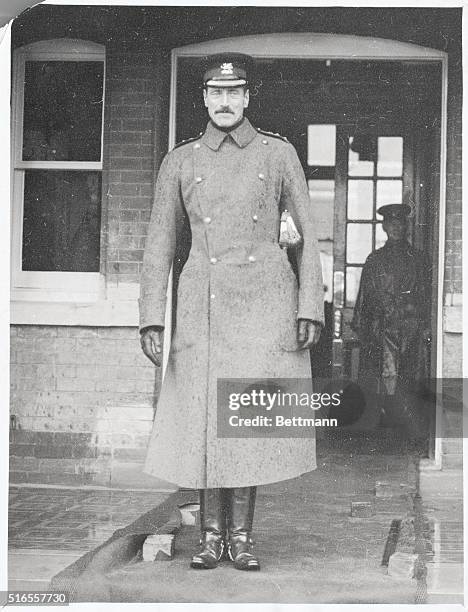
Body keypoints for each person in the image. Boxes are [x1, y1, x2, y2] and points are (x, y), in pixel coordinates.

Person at [139, 53, 324, 571]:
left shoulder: (278, 154)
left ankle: (241, 539)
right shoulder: (182, 160)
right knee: (203, 416)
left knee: (248, 418)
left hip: (264, 303)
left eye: (234, 93)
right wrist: (153, 316)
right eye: (215, 94)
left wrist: (309, 304)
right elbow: (158, 245)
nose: (224, 102)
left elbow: (308, 235)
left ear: (248, 98)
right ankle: (209, 538)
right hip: (203, 304)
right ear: (204, 98)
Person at [351, 203, 431, 431]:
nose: (396, 227)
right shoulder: (374, 260)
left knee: (408, 382)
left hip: (410, 332)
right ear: (384, 227)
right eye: (391, 223)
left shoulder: (419, 259)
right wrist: (365, 330)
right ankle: (379, 433)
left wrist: (423, 327)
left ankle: (407, 432)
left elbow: (426, 298)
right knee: (380, 384)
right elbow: (364, 300)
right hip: (380, 332)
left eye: (400, 222)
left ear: (407, 226)